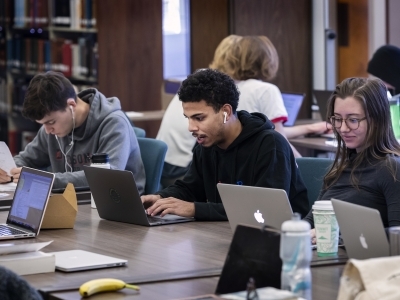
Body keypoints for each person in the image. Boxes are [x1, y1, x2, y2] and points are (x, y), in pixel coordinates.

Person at [157, 35, 330, 186]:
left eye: (198, 118)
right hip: (187, 169)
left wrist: (308, 129)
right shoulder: (261, 91)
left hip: (165, 166)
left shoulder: (208, 90)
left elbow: (266, 133)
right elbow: (278, 135)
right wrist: (303, 169)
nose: (191, 126)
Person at [142, 69, 309, 221]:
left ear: (226, 113)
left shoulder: (270, 145)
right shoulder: (207, 143)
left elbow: (265, 210)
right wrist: (160, 198)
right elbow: (191, 188)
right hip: (226, 232)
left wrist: (195, 209)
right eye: (188, 118)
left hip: (282, 240)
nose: (191, 127)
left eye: (199, 118)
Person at [0, 71, 146, 192]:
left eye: (51, 122)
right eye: (42, 124)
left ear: (71, 105)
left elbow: (106, 178)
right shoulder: (53, 128)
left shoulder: (114, 123)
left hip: (115, 205)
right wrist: (8, 171)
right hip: (71, 202)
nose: (48, 130)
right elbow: (26, 160)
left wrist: (48, 180)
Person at [304, 77, 400, 233]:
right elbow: (312, 220)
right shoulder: (341, 168)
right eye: (337, 119)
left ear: (377, 120)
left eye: (353, 120)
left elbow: (397, 239)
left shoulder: (392, 170)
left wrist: (333, 234)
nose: (342, 128)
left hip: (361, 256)